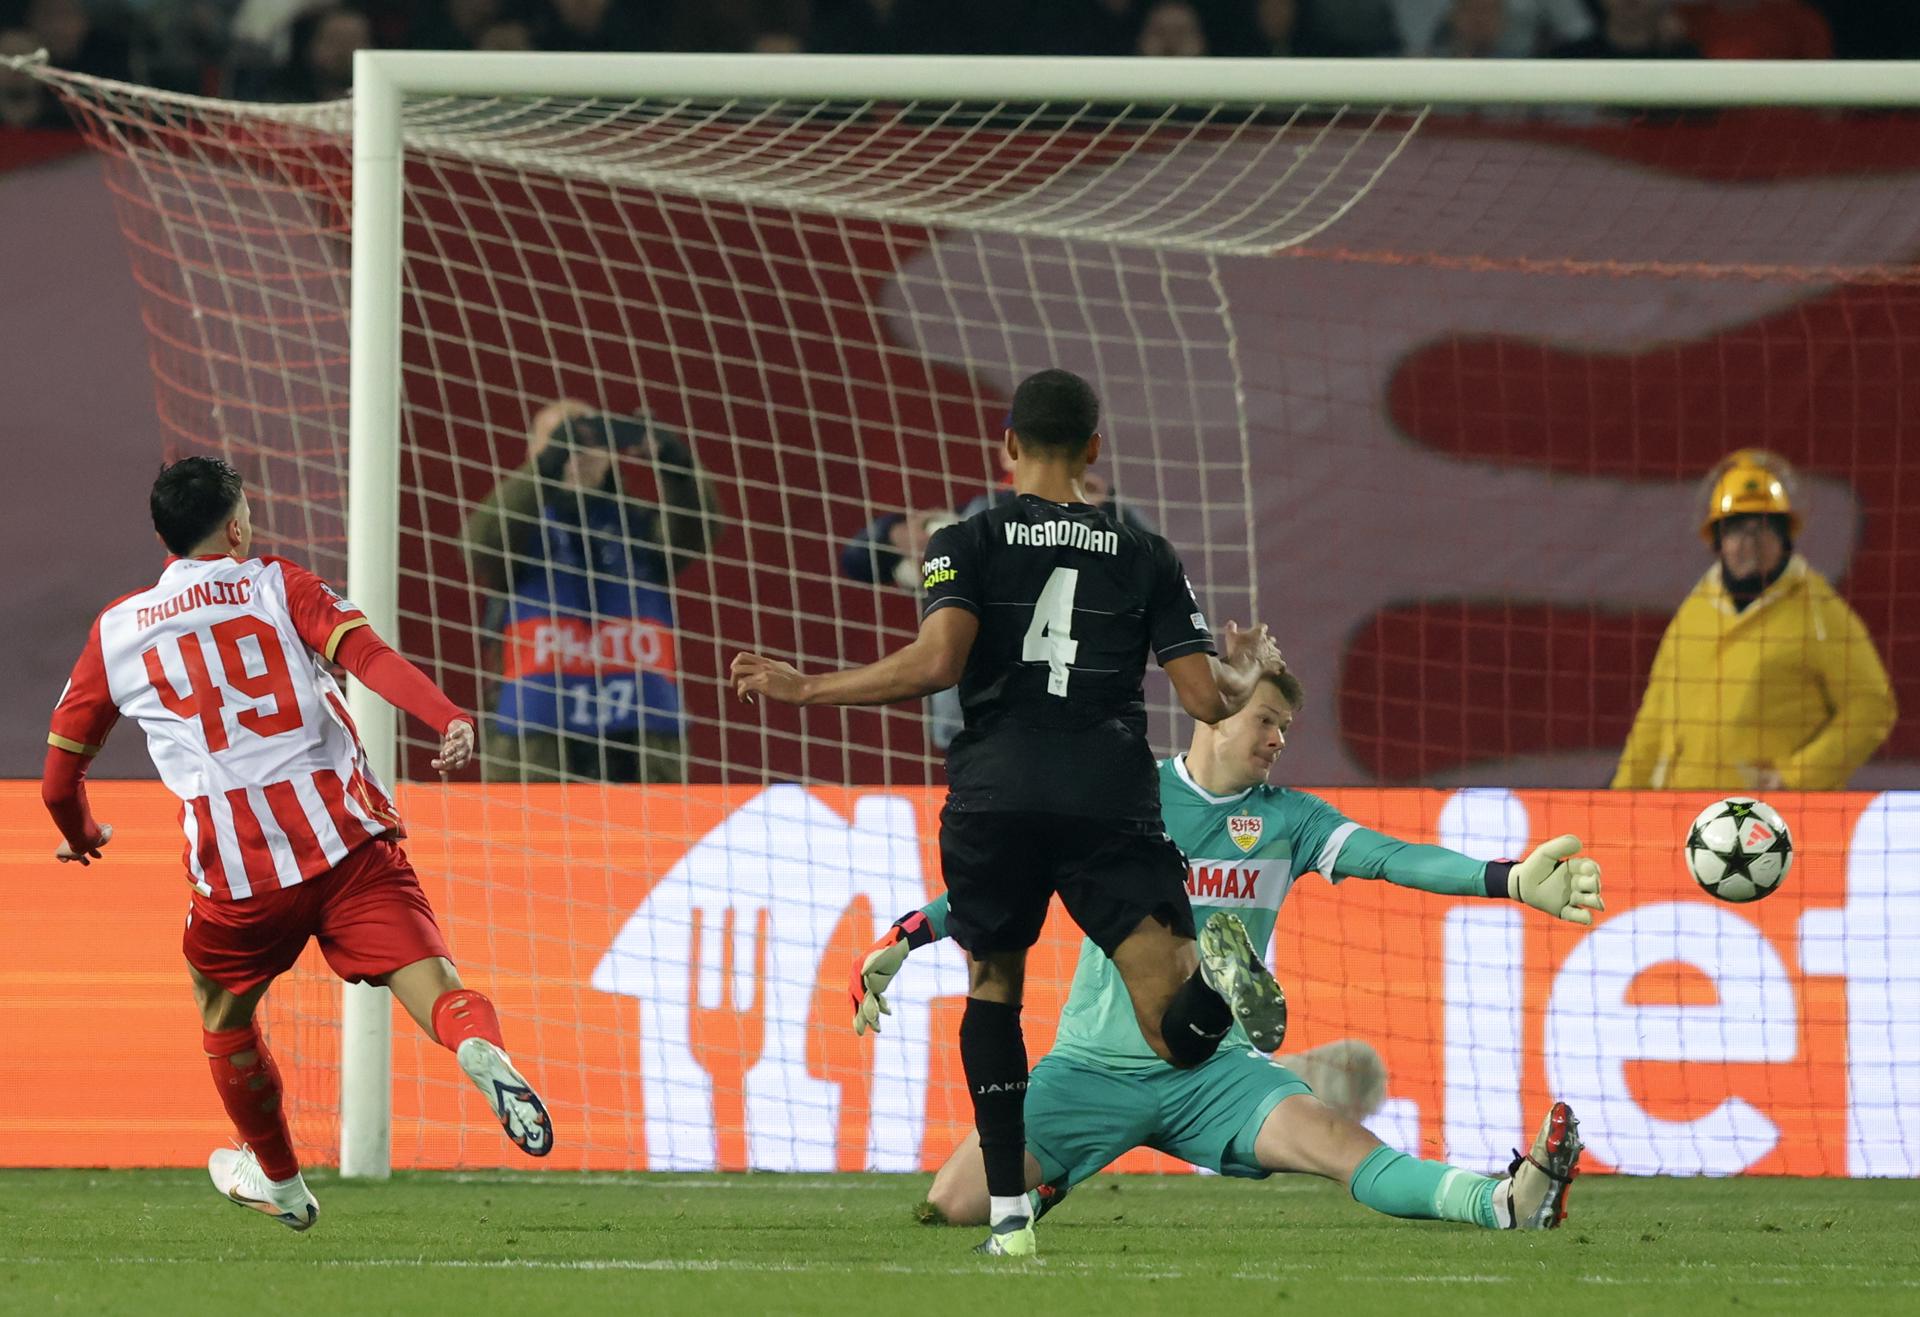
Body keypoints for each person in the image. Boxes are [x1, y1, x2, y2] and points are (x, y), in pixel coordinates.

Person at [734, 367, 1289, 1258]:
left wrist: (808, 687)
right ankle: (1224, 987)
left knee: (995, 990)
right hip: (1110, 796)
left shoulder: (966, 538)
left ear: (1008, 448)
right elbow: (1204, 699)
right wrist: (1236, 672)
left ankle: (1007, 1216)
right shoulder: (1146, 552)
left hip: (998, 793)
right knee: (1177, 1035)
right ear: (1095, 451)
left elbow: (936, 662)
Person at [853, 666, 1599, 1233]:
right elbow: (1014, 881)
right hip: (1095, 1066)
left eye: (1286, 727)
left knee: (1339, 1143)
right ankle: (1057, 1177)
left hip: (1214, 1073)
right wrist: (912, 932)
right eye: (1267, 720)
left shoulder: (1292, 820)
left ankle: (1504, 1200)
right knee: (952, 1204)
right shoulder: (1126, 796)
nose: (1278, 739)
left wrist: (1506, 879)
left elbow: (1392, 856)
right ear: (1212, 714)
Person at [40, 456, 552, 1232]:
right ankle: (480, 1047)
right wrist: (447, 714)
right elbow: (367, 656)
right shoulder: (278, 582)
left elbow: (58, 777)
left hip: (241, 878)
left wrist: (82, 834)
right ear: (238, 525)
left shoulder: (118, 629)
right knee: (439, 986)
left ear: (162, 538)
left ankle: (281, 1180)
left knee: (225, 1014)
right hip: (349, 843)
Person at [840, 422, 1153, 750]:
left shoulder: (1102, 512)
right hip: (985, 725)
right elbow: (856, 560)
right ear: (1007, 453)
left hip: (1072, 711)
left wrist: (1108, 508)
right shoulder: (971, 517)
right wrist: (895, 533)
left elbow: (1155, 567)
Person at [463, 400, 720, 784]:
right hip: (535, 748)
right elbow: (480, 545)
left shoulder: (639, 528)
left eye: (589, 441)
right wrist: (546, 471)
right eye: (562, 441)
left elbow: (701, 530)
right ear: (534, 453)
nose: (578, 455)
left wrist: (675, 463)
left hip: (641, 743)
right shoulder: (520, 529)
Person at [1613, 450, 1897, 792]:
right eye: (1736, 530)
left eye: (1763, 528)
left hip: (1769, 825)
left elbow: (1871, 707)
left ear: (1785, 536)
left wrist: (1797, 779)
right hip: (1681, 814)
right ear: (1717, 540)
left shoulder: (1820, 614)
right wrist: (1623, 799)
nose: (1750, 542)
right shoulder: (1696, 609)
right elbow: (1654, 718)